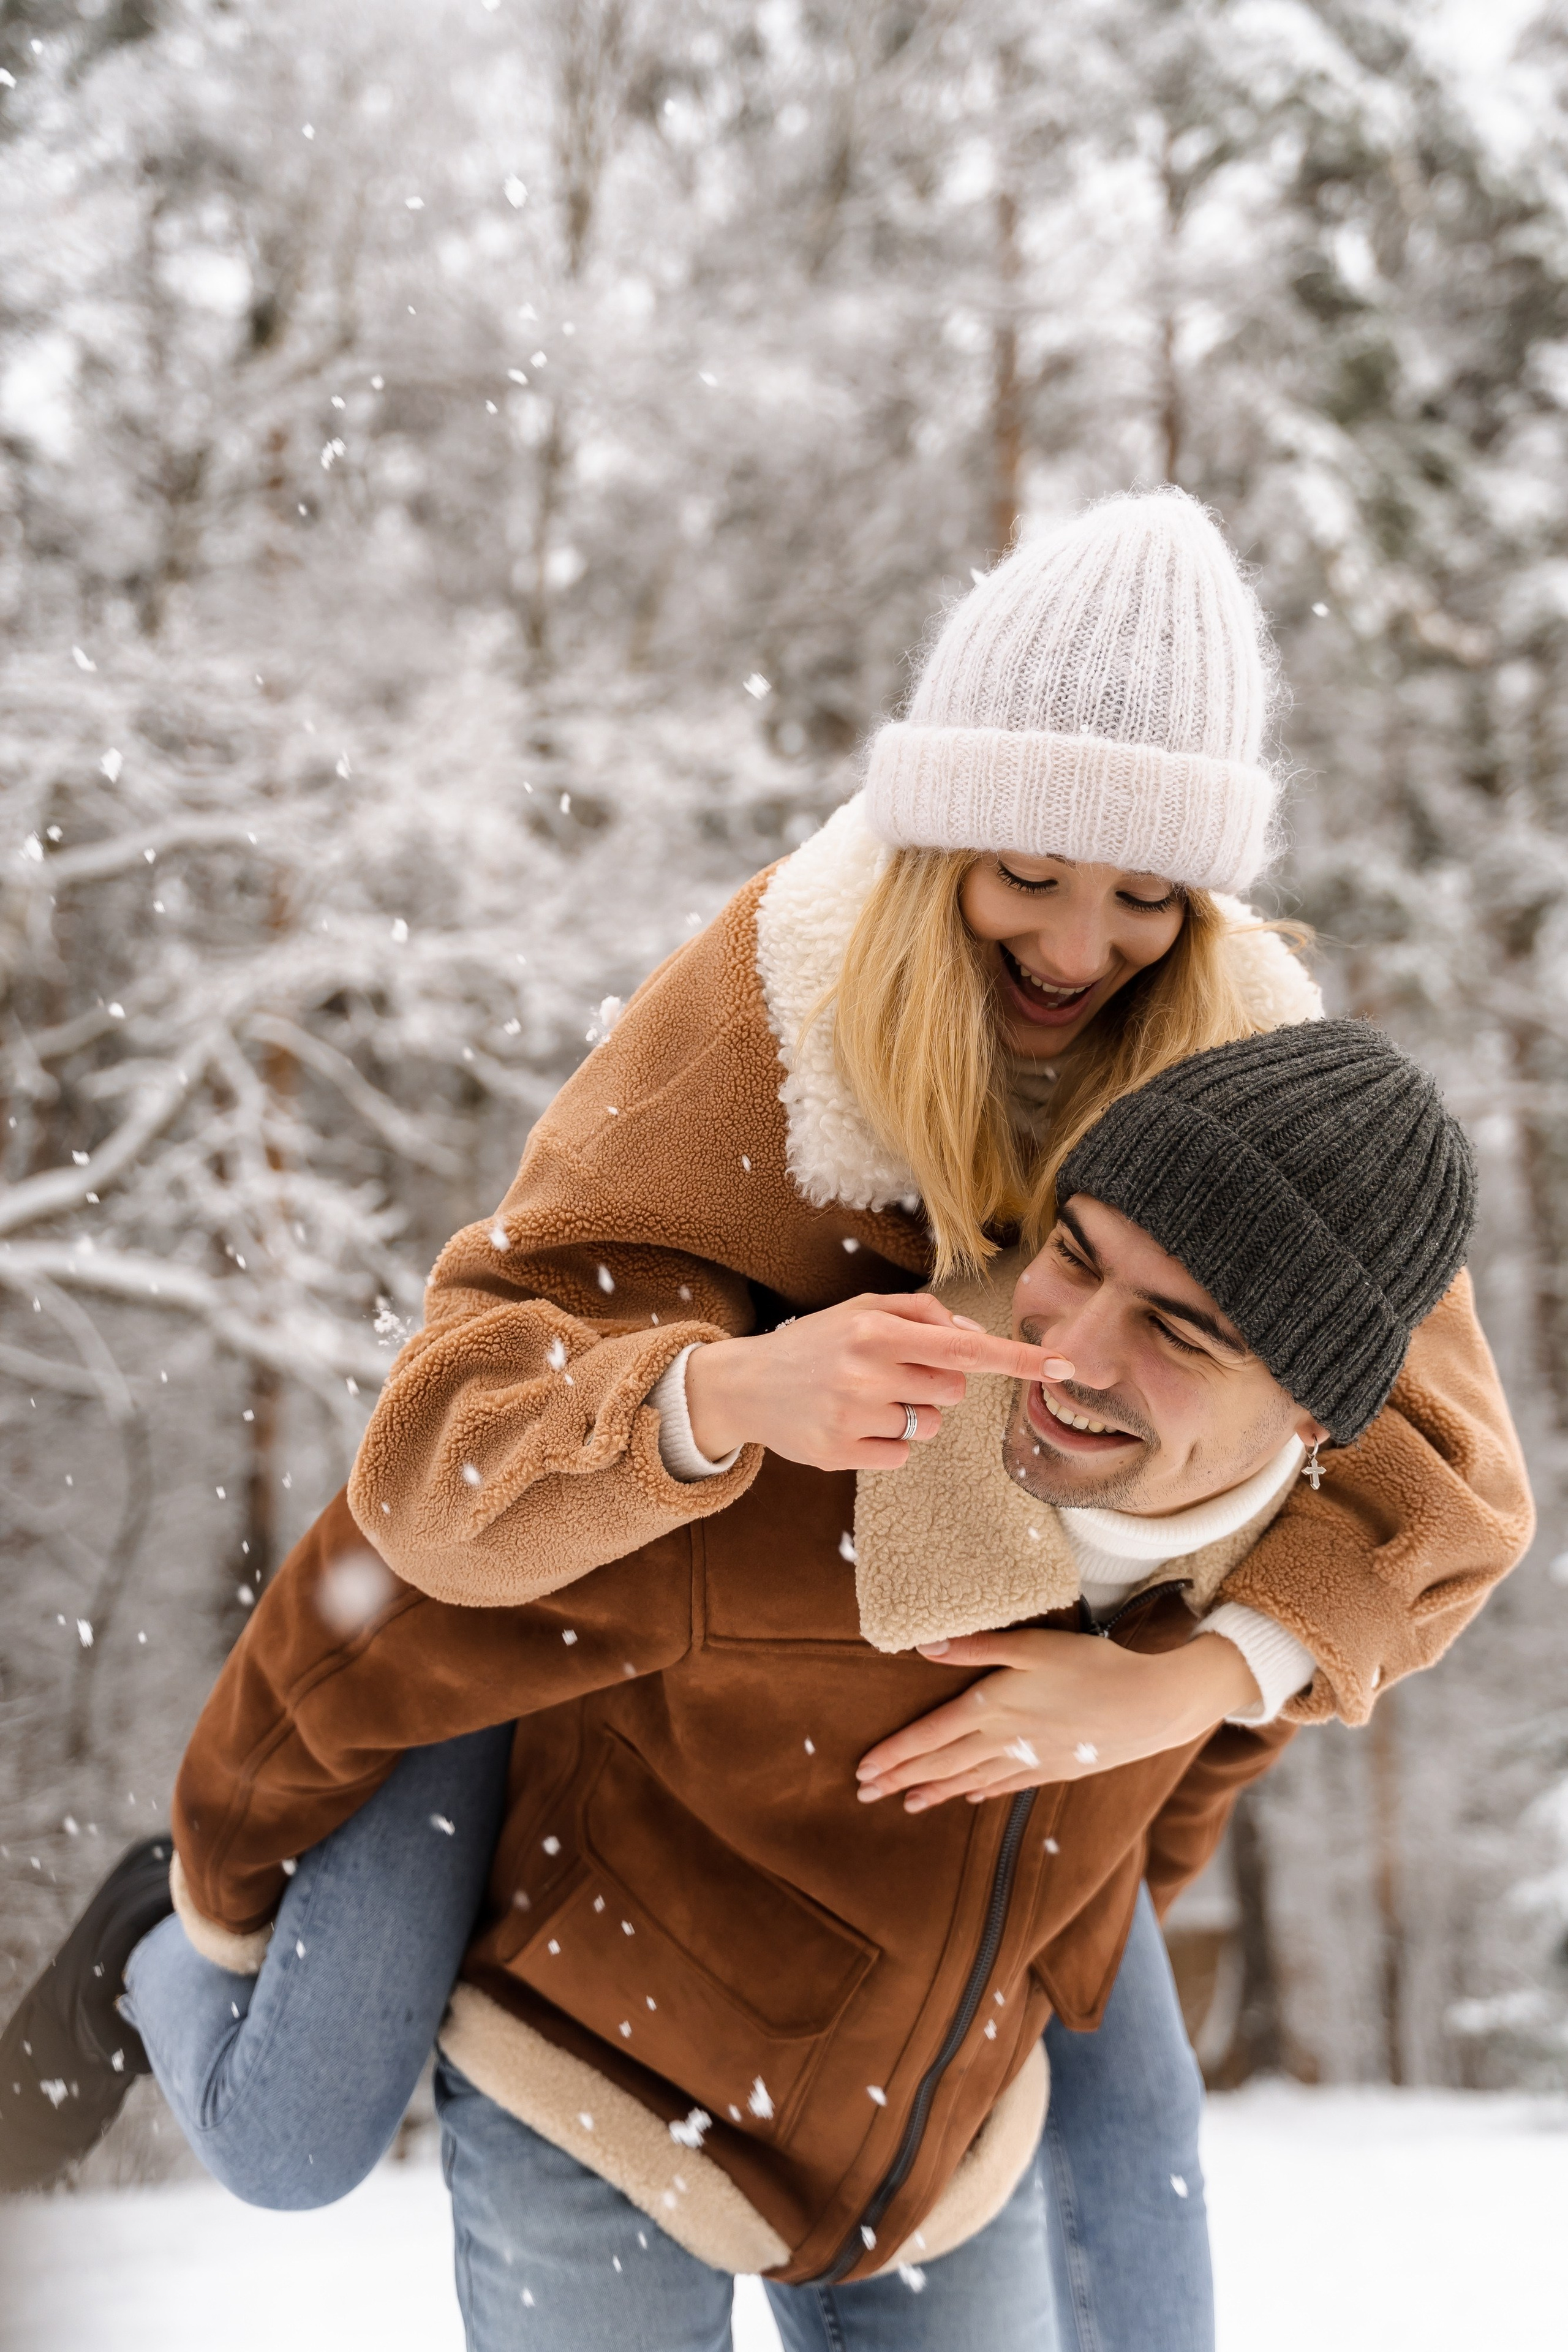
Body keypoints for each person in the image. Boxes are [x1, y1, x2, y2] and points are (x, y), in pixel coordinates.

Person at [0, 494, 1531, 2351]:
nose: (1083, 943)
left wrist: (1188, 1688)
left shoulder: (1251, 1081)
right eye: (1032, 868)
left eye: (1152, 896)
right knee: (303, 2125)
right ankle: (166, 1946)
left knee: (1138, 2184)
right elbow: (439, 1453)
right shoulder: (775, 1012)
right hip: (597, 1631)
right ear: (936, 831)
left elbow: (1440, 1489)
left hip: (991, 1733)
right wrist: (718, 1396)